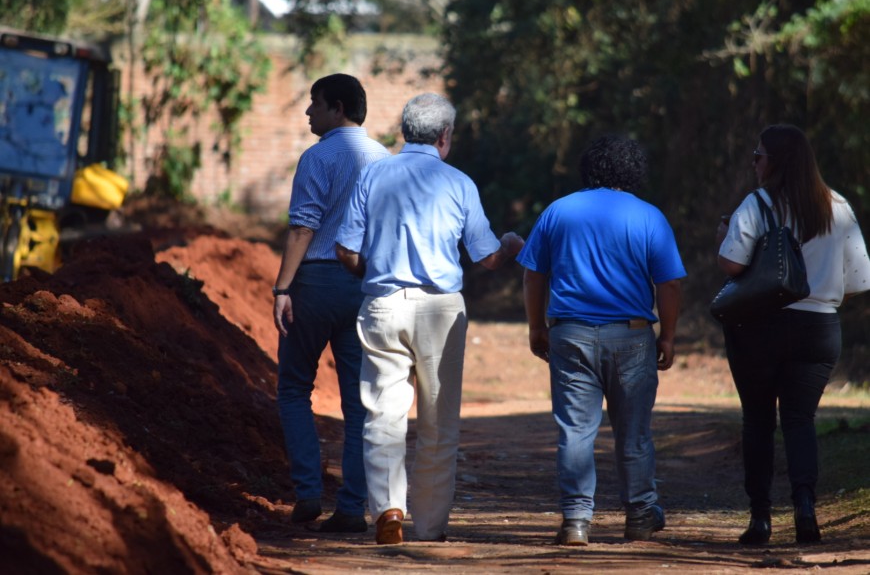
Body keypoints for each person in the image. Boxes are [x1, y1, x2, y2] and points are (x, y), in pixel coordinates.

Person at [335, 92, 525, 545]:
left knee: (382, 411)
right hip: (440, 309)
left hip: (382, 304)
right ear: (445, 136)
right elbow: (489, 258)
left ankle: (388, 511)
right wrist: (514, 244)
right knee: (439, 419)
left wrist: (375, 273)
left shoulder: (373, 174)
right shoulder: (459, 183)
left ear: (404, 131)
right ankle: (431, 524)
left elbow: (345, 248)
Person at [517, 135, 685, 546]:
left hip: (569, 333)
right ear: (633, 171)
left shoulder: (558, 211)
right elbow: (669, 284)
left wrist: (537, 327)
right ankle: (641, 515)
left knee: (575, 430)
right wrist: (669, 335)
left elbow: (534, 275)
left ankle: (576, 521)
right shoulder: (648, 217)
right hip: (631, 336)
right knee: (634, 432)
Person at [716, 124, 870, 545]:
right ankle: (805, 507)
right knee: (801, 420)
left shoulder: (758, 203)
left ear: (775, 161)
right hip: (818, 328)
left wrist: (723, 237)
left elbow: (731, 264)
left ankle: (760, 518)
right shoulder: (837, 206)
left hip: (760, 327)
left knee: (759, 421)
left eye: (758, 154)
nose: (754, 162)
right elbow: (859, 279)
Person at [273, 73, 390, 533]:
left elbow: (303, 227)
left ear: (337, 108)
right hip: (364, 285)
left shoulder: (317, 156)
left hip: (316, 282)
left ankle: (306, 494)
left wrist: (283, 288)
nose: (308, 112)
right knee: (359, 402)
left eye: (314, 103)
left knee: (293, 387)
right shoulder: (384, 159)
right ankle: (351, 506)